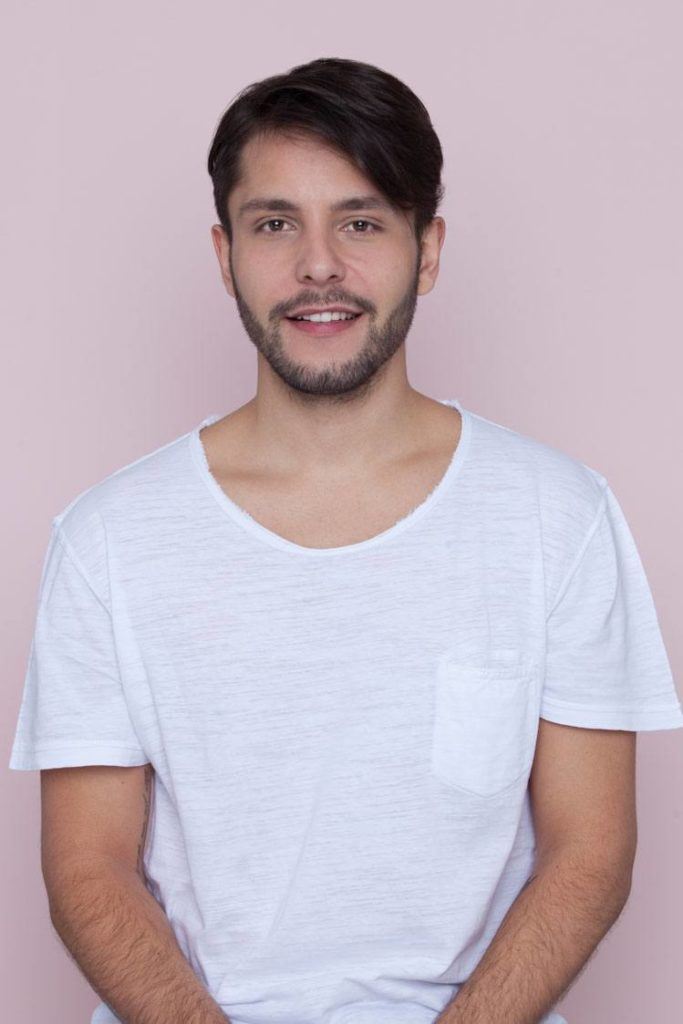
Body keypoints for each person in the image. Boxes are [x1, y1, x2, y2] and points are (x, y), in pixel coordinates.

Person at [8, 56, 683, 1024]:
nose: (317, 265)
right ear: (224, 255)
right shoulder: (108, 538)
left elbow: (589, 851)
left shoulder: (556, 516)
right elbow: (88, 866)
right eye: (274, 223)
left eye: (360, 223)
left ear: (428, 250)